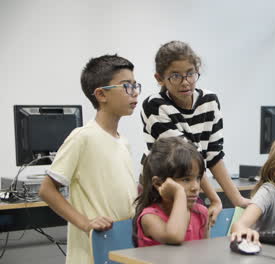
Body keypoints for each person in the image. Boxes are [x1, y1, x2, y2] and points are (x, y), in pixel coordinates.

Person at [38, 54, 140, 263]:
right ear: (101, 94)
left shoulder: (124, 142)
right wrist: (86, 223)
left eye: (135, 85)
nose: (134, 92)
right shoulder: (82, 137)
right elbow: (47, 190)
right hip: (92, 250)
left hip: (120, 242)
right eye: (126, 86)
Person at [140, 40, 249, 226]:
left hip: (193, 188)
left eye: (190, 74)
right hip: (165, 194)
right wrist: (215, 199)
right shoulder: (155, 106)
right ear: (160, 78)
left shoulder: (209, 101)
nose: (185, 82)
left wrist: (238, 200)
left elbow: (214, 156)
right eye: (175, 76)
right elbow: (187, 160)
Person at [134, 137, 209, 246]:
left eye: (198, 178)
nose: (195, 187)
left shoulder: (201, 213)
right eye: (186, 179)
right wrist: (180, 194)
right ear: (159, 184)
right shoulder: (149, 217)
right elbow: (174, 236)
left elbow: (205, 254)